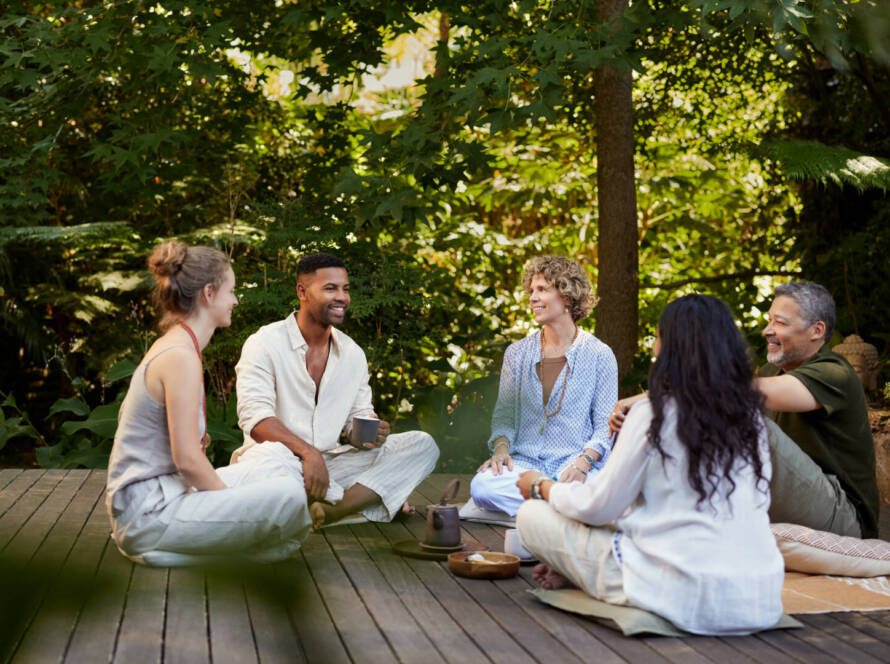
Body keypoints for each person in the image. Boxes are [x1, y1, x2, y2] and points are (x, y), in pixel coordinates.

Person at [515, 294, 784, 636]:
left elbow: (598, 506)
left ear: (669, 349)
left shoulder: (654, 412)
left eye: (657, 337)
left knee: (531, 516)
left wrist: (540, 486)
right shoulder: (752, 419)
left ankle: (587, 574)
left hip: (682, 596)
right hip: (759, 601)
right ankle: (575, 571)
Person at [106, 242, 312, 567]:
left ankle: (210, 548)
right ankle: (206, 550)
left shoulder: (180, 345)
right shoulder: (178, 356)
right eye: (231, 291)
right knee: (289, 499)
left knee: (276, 457)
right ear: (209, 293)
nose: (235, 300)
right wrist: (231, 504)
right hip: (148, 515)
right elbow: (187, 458)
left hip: (172, 495)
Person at [232, 252, 439, 530]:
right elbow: (255, 420)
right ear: (302, 292)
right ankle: (367, 500)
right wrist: (308, 454)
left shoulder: (353, 354)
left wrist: (367, 433)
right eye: (330, 288)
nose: (342, 297)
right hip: (279, 464)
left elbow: (358, 420)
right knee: (271, 475)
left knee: (421, 445)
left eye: (345, 288)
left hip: (332, 465)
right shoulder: (264, 343)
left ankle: (332, 510)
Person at [467, 255, 617, 517]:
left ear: (568, 297)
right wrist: (501, 449)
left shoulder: (599, 354)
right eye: (532, 290)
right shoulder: (517, 353)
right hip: (524, 464)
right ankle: (559, 506)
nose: (532, 297)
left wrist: (584, 463)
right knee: (482, 487)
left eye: (542, 290)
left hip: (573, 463)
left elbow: (606, 424)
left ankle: (541, 504)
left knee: (595, 489)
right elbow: (504, 415)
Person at [755, 281, 879, 538]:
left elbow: (740, 394)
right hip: (788, 503)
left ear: (816, 330)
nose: (768, 330)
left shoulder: (836, 372)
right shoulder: (769, 373)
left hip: (845, 517)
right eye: (769, 321)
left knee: (745, 422)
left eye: (780, 322)